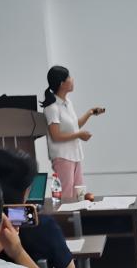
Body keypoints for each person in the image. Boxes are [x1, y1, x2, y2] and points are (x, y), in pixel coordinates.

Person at [41, 65, 104, 198]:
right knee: (66, 195)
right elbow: (56, 136)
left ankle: (79, 212)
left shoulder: (67, 102)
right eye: (69, 77)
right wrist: (79, 135)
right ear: (62, 83)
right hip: (63, 157)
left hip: (74, 155)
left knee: (79, 194)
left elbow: (74, 126)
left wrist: (90, 112)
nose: (72, 79)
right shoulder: (52, 108)